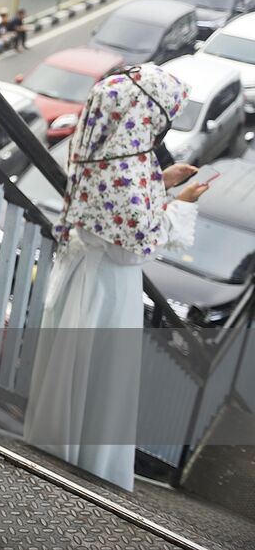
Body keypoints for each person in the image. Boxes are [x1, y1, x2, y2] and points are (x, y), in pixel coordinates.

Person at [24, 65, 209, 489]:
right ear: (145, 114)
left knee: (75, 378)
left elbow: (116, 208)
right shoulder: (126, 164)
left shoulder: (106, 150)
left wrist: (161, 182)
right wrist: (179, 203)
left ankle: (62, 455)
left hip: (85, 281)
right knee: (101, 384)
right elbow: (135, 243)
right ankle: (90, 475)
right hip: (106, 289)